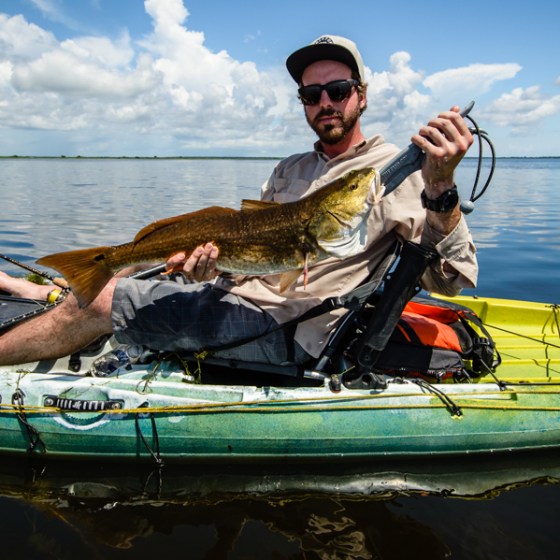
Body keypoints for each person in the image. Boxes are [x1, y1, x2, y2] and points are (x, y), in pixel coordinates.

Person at [0, 35, 477, 367]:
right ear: (303, 102)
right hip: (236, 295)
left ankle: (65, 309)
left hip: (286, 328)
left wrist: (440, 187)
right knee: (131, 270)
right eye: (312, 94)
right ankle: (38, 290)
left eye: (337, 90)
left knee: (104, 301)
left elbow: (450, 280)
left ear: (362, 97)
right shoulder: (291, 168)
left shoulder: (393, 172)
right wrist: (212, 267)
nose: (325, 102)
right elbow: (251, 260)